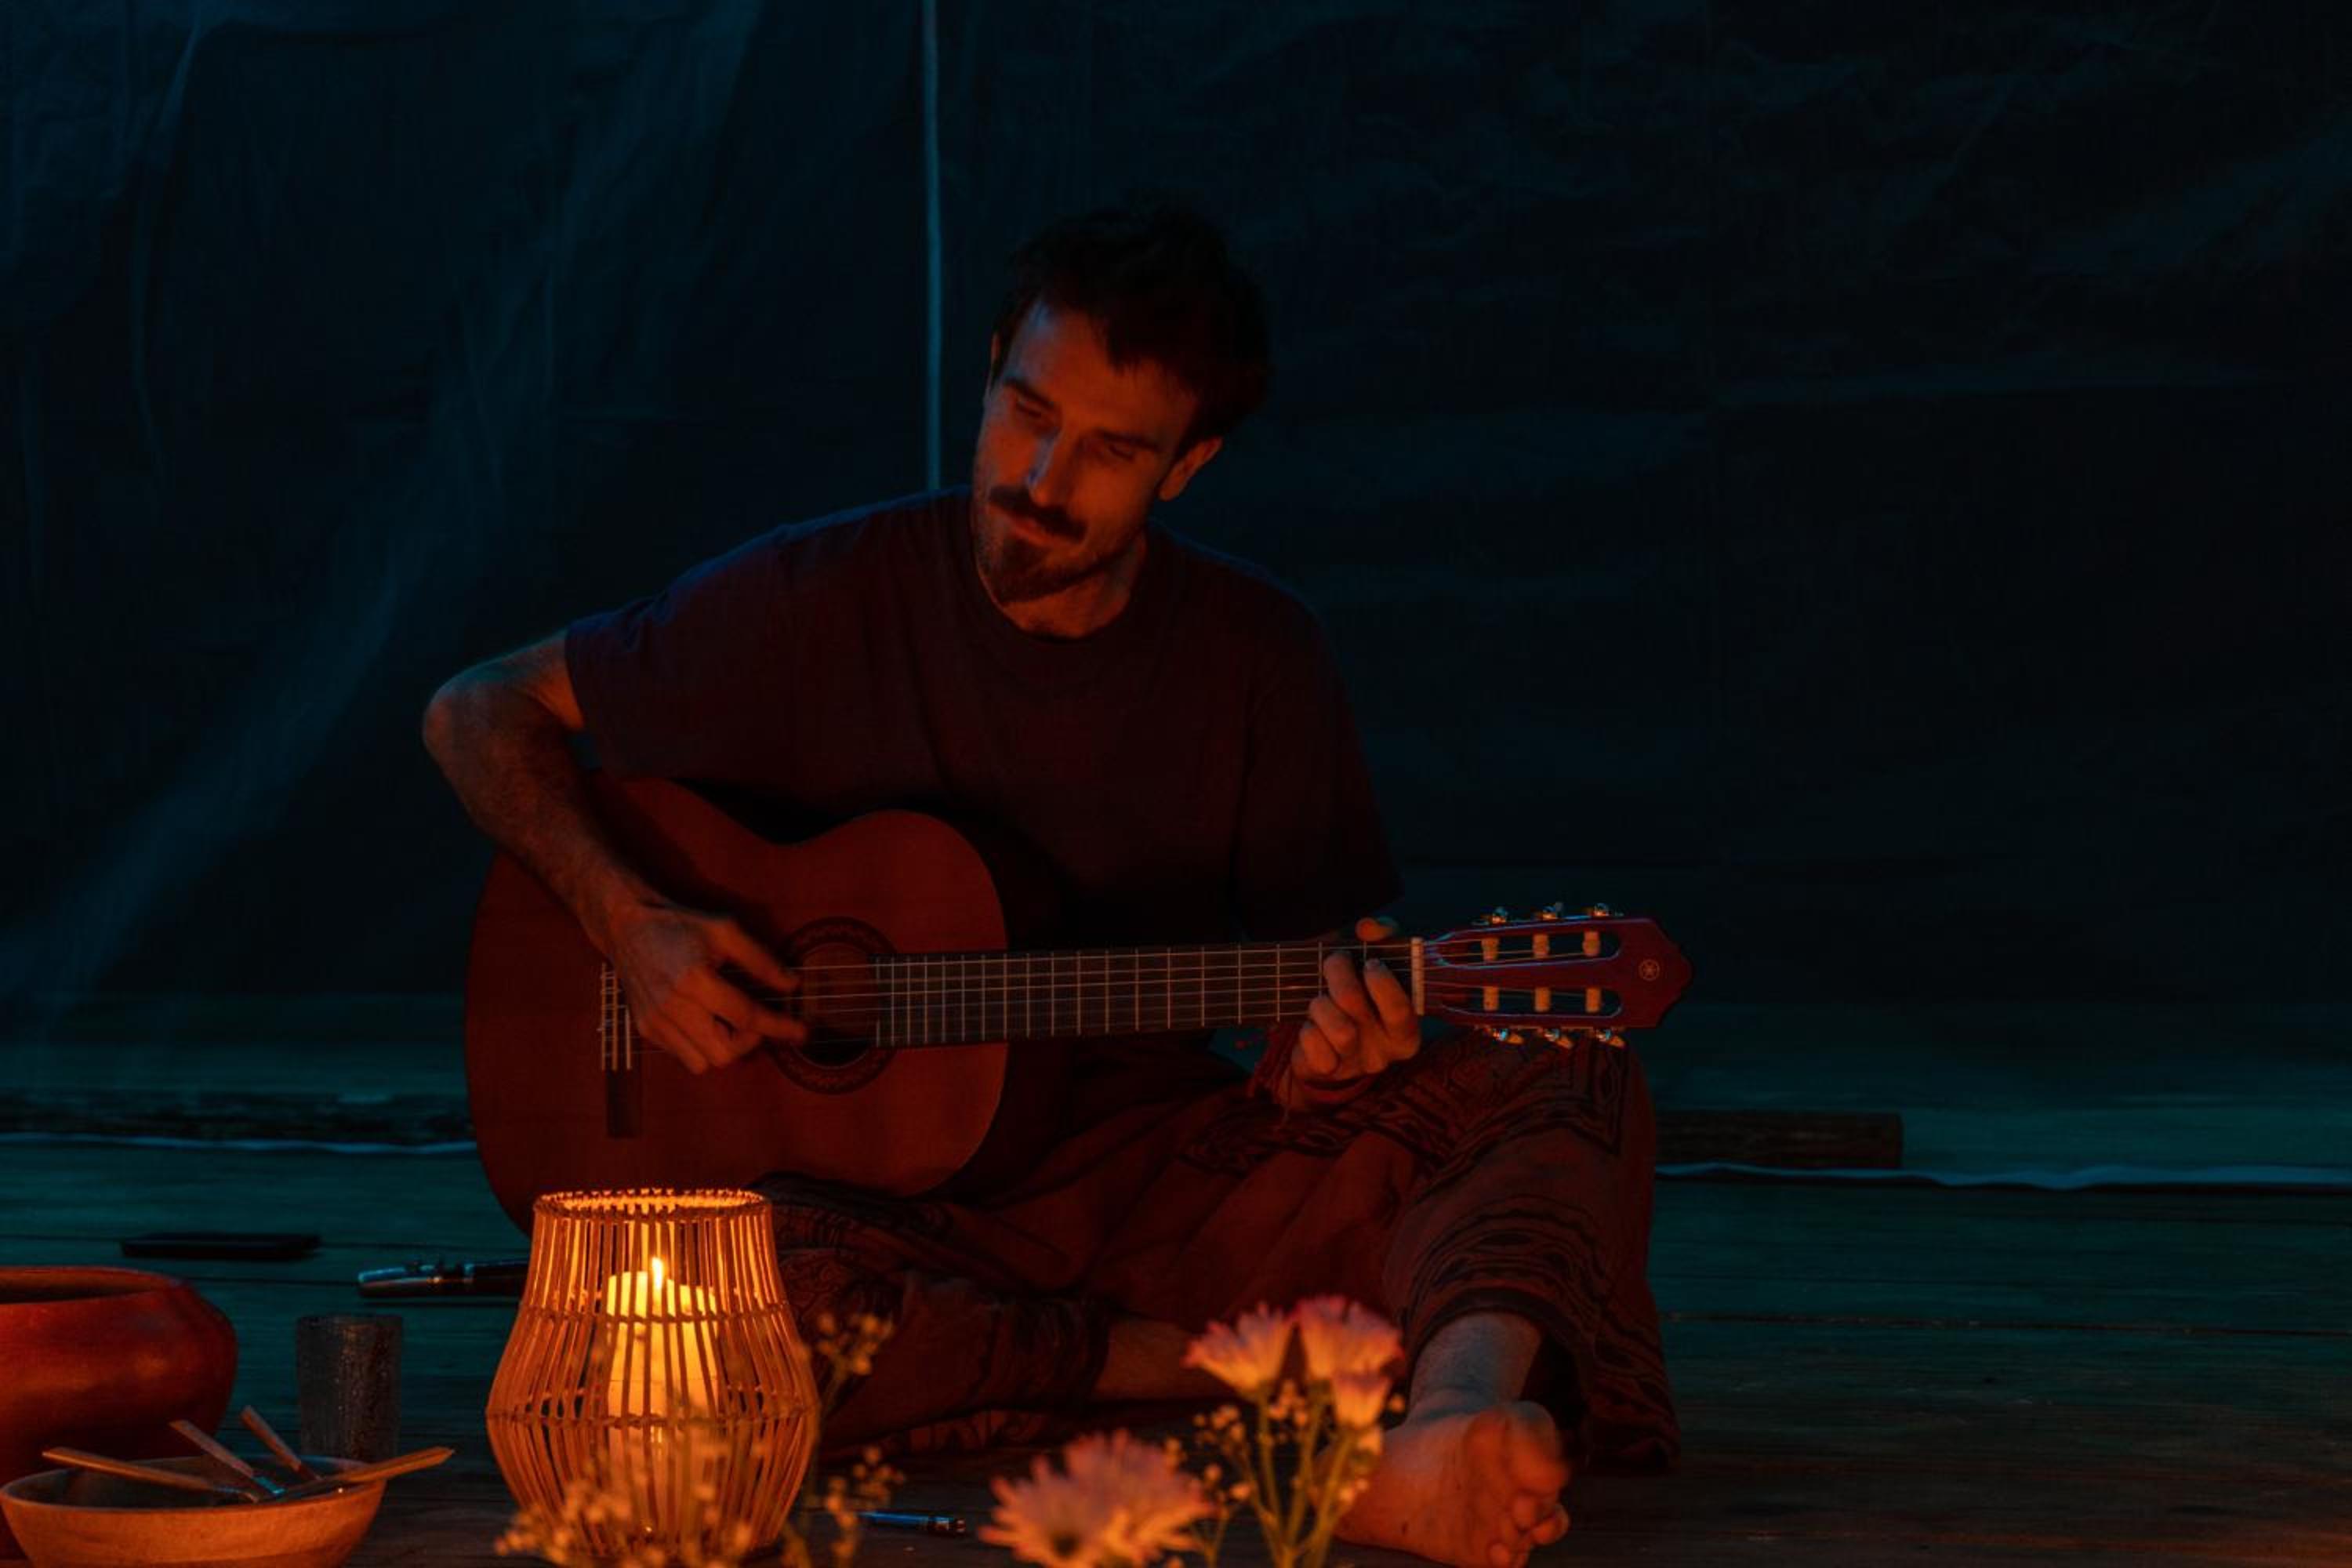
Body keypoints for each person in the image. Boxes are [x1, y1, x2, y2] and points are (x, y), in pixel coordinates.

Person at [423, 203, 1675, 1568]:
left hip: (1155, 1180)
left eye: (1110, 450)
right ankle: (1208, 1367)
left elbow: (1308, 1021)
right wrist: (628, 920)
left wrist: (1326, 1060)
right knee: (687, 1328)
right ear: (988, 377)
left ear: (1187, 466)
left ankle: (1443, 1430)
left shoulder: (1259, 660)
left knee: (1565, 1071)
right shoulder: (817, 597)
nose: (1038, 476)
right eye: (1026, 412)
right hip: (875, 1220)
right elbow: (475, 710)